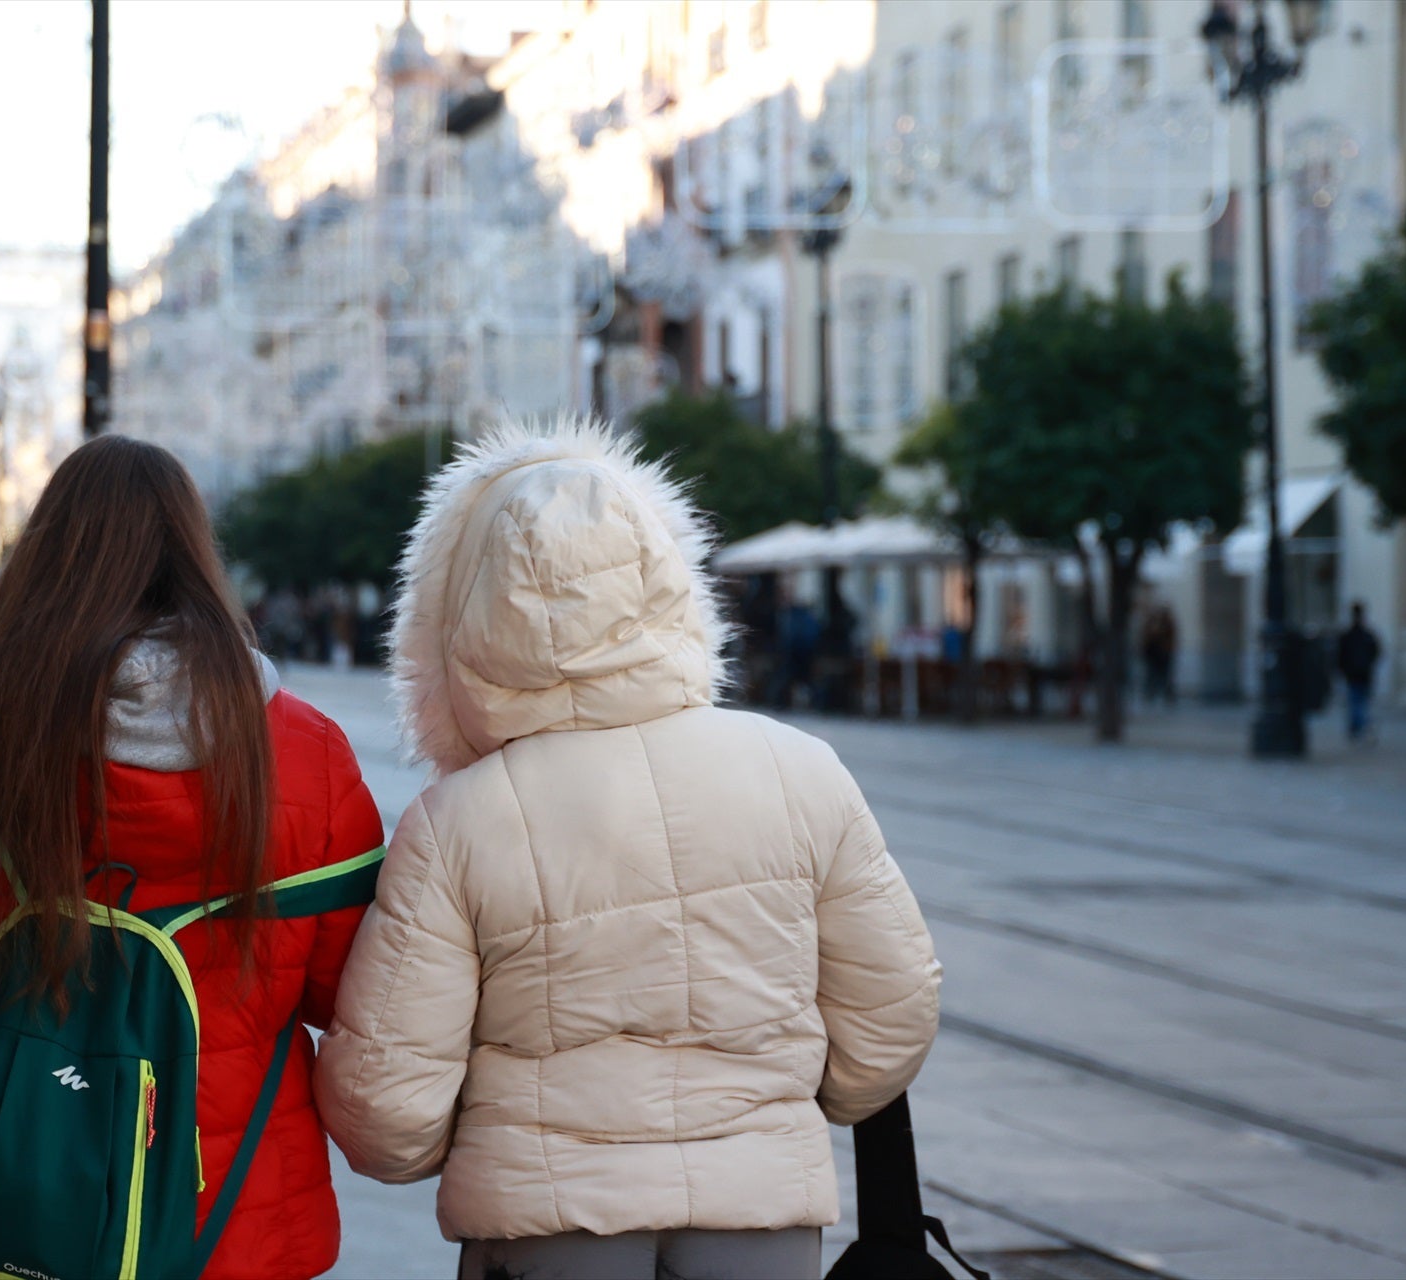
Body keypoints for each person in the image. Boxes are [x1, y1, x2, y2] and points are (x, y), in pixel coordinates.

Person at [317, 422, 941, 1280]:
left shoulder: (456, 822)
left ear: (460, 617)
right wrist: (780, 1103)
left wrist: (492, 1135)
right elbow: (893, 1012)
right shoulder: (802, 772)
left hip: (548, 1233)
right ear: (669, 584)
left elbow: (385, 1107)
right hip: (760, 1221)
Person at [0, 436, 383, 1278]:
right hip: (230, 1226)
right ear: (196, 556)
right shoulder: (307, 754)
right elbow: (348, 997)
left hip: (4, 1216)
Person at [1336, 601, 1383, 742]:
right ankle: (1360, 726)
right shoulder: (1366, 635)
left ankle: (1358, 726)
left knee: (1355, 701)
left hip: (1354, 674)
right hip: (1363, 674)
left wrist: (1342, 669)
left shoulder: (1348, 635)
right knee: (1361, 702)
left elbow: (1340, 655)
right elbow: (1376, 651)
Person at [1140, 604, 1177, 707]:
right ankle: (1152, 693)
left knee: (1164, 675)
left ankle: (1166, 695)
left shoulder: (1167, 624)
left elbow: (1168, 638)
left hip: (1163, 653)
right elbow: (1147, 639)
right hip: (1154, 654)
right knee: (1153, 675)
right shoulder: (1151, 624)